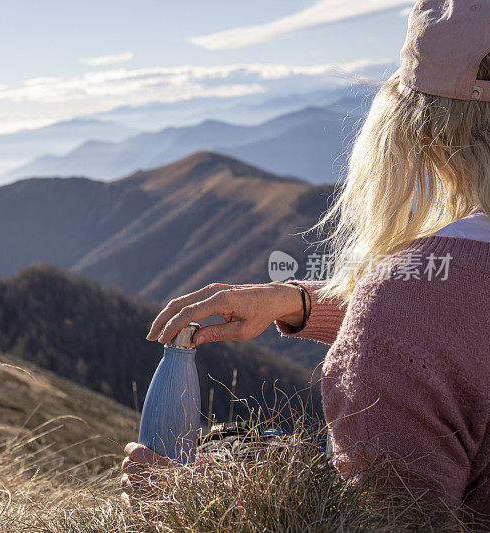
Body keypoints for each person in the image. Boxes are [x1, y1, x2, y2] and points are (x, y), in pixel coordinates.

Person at [122, 0, 490, 519]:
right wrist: (298, 303)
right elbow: (458, 323)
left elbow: (385, 525)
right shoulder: (415, 302)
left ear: (423, 128)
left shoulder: (405, 303)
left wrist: (198, 506)